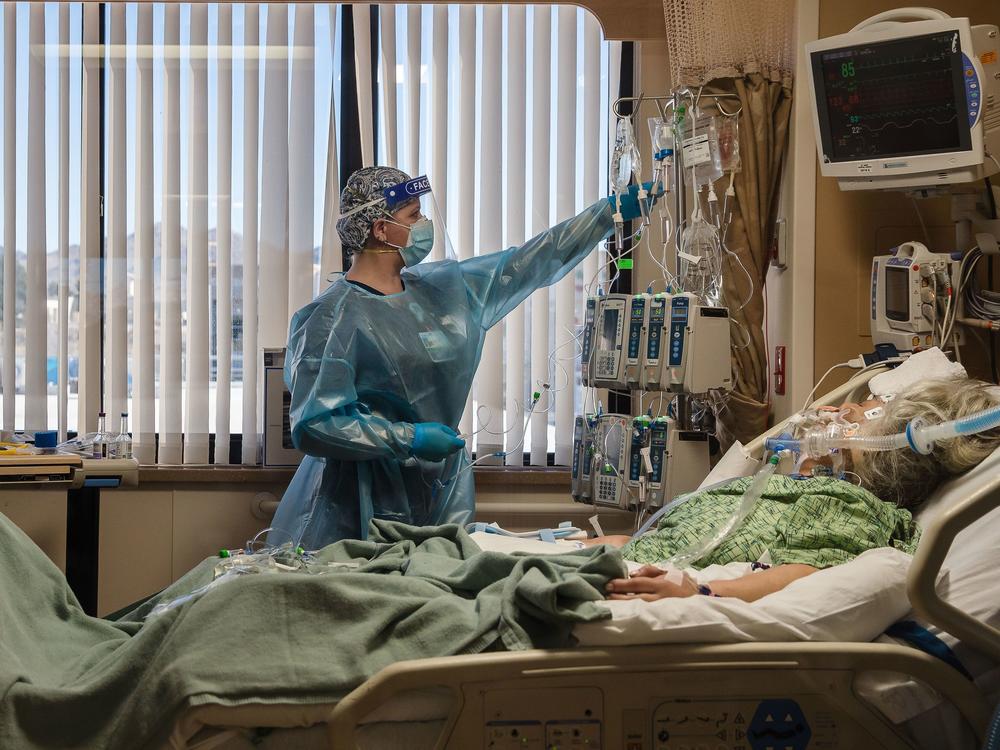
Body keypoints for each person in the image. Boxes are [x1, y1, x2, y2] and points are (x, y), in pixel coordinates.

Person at [269, 166, 657, 548]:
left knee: (440, 588)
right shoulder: (329, 319)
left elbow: (529, 262)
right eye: (413, 215)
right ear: (381, 229)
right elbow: (316, 423)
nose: (423, 225)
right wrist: (410, 437)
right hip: (354, 502)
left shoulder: (444, 291)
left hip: (439, 488)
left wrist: (608, 214)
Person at [587, 378, 1000, 603]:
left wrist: (700, 591)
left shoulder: (849, 504)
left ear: (891, 442)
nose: (831, 413)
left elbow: (801, 575)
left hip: (629, 585)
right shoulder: (802, 488)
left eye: (857, 413)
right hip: (614, 562)